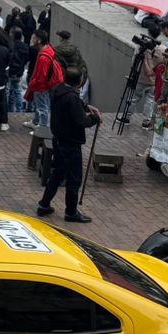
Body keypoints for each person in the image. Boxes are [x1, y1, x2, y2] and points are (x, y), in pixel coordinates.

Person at [35, 65, 101, 224]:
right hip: (70, 142)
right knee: (74, 177)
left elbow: (73, 105)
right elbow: (81, 120)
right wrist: (95, 119)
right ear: (79, 81)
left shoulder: (58, 89)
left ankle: (44, 204)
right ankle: (71, 212)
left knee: (58, 173)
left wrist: (85, 107)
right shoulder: (72, 97)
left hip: (58, 139)